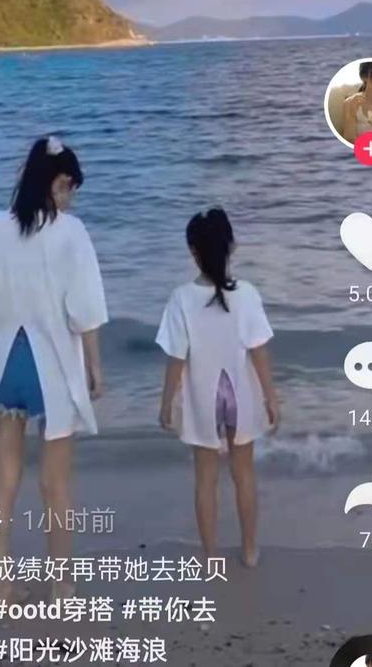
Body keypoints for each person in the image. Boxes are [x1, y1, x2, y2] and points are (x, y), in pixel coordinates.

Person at [0, 136, 108, 603]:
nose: (71, 197)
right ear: (55, 182)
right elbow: (84, 311)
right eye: (69, 186)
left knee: (4, 480)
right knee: (55, 484)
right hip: (53, 369)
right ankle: (61, 585)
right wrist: (95, 367)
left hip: (5, 368)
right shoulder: (71, 232)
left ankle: (2, 587)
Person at [156, 208, 278, 568]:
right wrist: (271, 396)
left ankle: (210, 557)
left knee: (205, 479)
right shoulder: (247, 293)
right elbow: (259, 350)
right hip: (240, 392)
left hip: (203, 396)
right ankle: (250, 551)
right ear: (232, 246)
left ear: (192, 251)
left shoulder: (181, 298)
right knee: (244, 474)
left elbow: (176, 357)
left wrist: (167, 402)